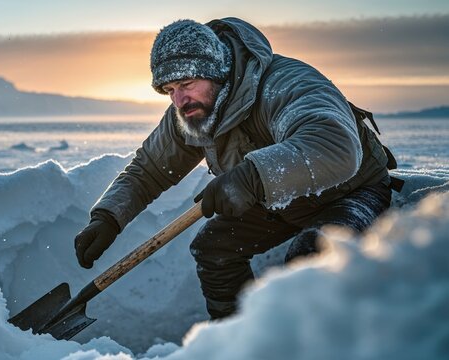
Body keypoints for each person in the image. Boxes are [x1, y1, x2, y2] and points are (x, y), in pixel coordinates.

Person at [73, 18, 401, 320]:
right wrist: (108, 217)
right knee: (214, 249)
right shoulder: (193, 113)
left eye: (186, 82)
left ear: (217, 71)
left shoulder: (283, 84)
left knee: (312, 253)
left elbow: (335, 147)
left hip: (348, 192)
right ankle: (239, 341)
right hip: (278, 200)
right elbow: (148, 170)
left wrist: (250, 177)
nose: (179, 100)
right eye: (170, 90)